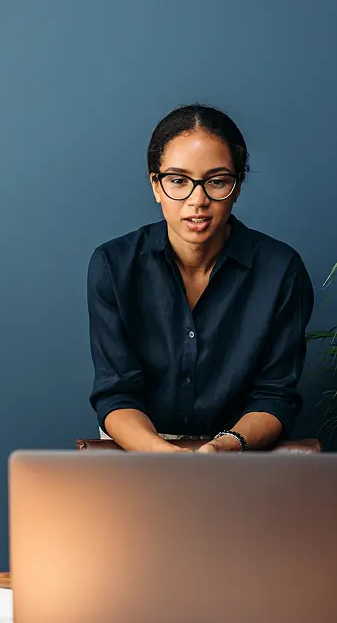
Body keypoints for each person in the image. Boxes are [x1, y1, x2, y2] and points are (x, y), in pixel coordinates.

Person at [87, 104, 314, 453]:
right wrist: (163, 455)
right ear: (156, 185)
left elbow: (275, 395)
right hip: (139, 449)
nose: (198, 200)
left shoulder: (282, 270)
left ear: (237, 187)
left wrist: (223, 448)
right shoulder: (113, 266)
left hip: (241, 451)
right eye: (178, 181)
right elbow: (116, 393)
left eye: (217, 181)